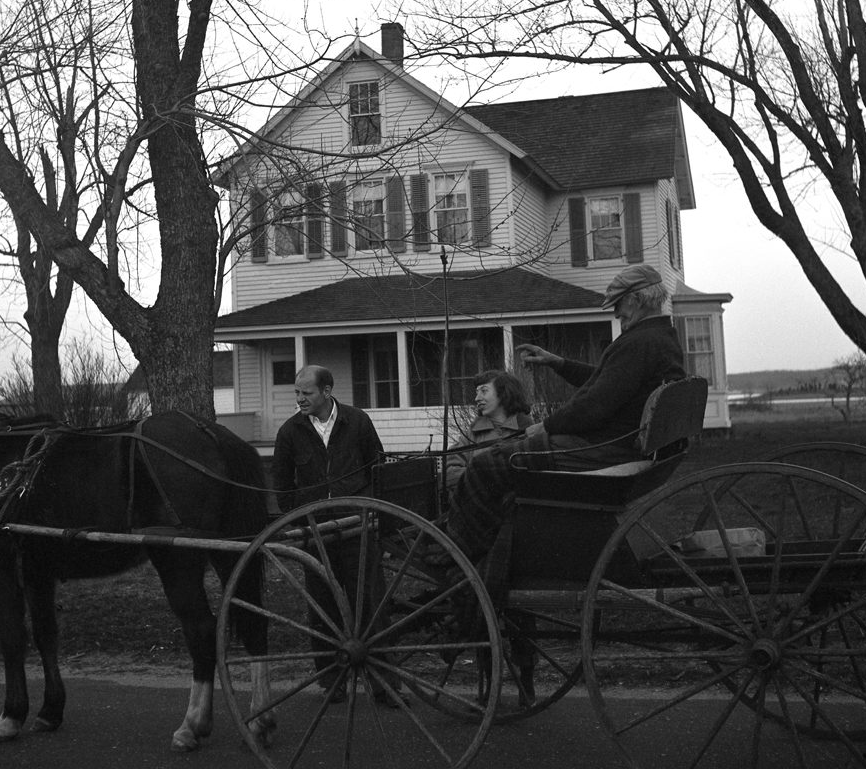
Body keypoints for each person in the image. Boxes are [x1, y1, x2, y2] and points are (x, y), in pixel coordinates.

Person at [443, 264, 686, 564]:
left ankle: (465, 559)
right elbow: (605, 382)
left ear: (635, 300)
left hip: (601, 448)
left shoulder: (638, 343)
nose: (616, 314)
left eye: (619, 305)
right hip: (619, 445)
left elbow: (594, 406)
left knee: (484, 466)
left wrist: (546, 426)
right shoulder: (660, 338)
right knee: (499, 463)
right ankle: (492, 548)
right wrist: (557, 363)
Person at [270, 364, 402, 706]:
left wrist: (373, 514)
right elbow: (282, 486)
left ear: (327, 391)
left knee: (370, 603)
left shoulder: (356, 421)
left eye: (307, 393)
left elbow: (377, 467)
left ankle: (383, 682)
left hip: (357, 525)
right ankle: (332, 681)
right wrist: (295, 522)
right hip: (316, 532)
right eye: (297, 393)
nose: (300, 399)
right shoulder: (290, 432)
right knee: (323, 606)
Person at [444, 370, 534, 495]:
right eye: (477, 392)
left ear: (504, 394)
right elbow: (450, 473)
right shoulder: (471, 435)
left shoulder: (529, 432)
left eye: (484, 391)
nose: (477, 398)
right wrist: (485, 481)